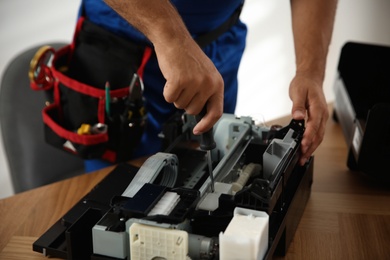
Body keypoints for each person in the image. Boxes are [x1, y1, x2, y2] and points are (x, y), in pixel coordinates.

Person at [81, 0, 337, 171]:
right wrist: (169, 35)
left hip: (218, 48)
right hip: (122, 51)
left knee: (215, 165)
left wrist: (310, 72)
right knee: (120, 192)